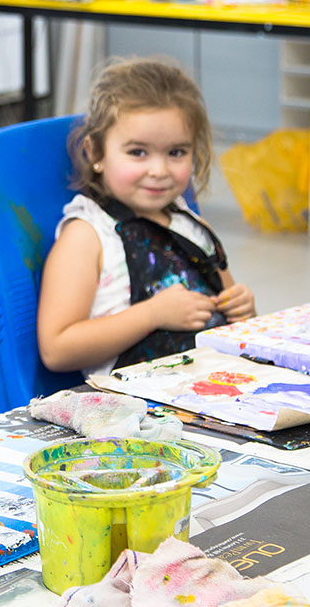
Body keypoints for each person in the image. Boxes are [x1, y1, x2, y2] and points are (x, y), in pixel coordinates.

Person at [36, 57, 256, 377]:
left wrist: (244, 309)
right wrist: (152, 314)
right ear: (95, 153)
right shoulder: (88, 237)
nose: (159, 170)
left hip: (213, 383)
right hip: (137, 408)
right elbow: (57, 349)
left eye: (176, 152)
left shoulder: (193, 227)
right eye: (138, 152)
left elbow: (231, 316)